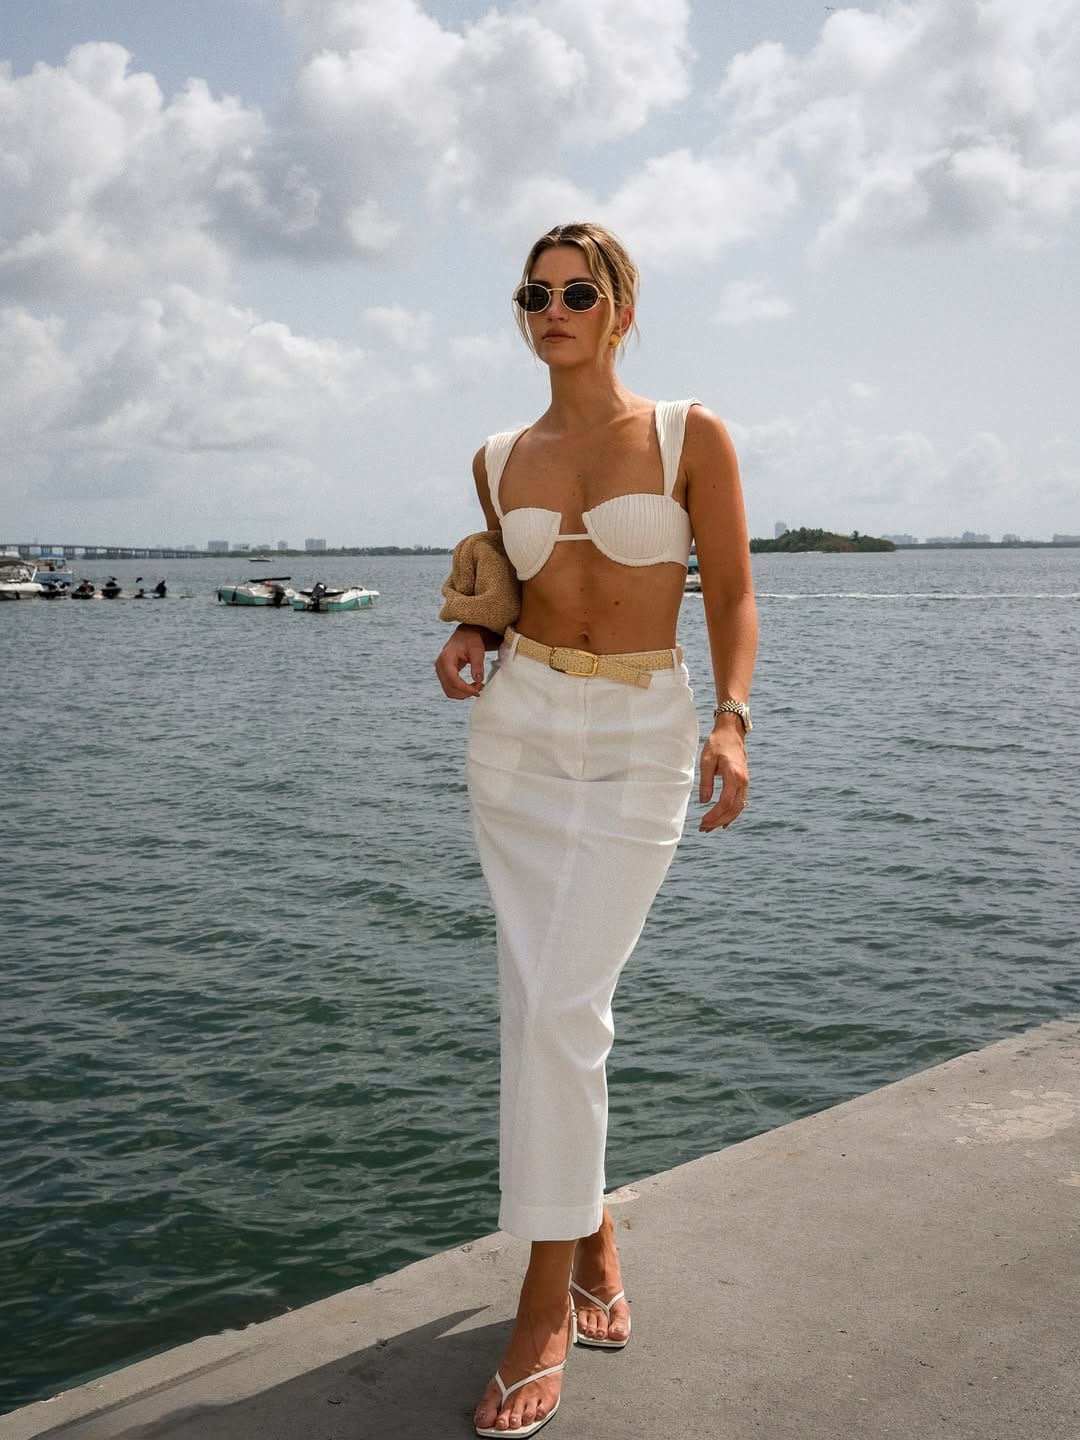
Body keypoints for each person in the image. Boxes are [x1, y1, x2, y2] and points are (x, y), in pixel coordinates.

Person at [434, 222, 758, 1439]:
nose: (554, 310)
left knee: (566, 1006)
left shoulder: (687, 435)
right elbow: (510, 593)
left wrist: (731, 721)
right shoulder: (496, 457)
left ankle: (541, 1309)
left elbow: (732, 591)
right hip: (518, 738)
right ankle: (593, 1238)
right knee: (537, 1006)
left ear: (621, 310)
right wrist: (473, 633)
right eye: (536, 293)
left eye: (578, 292)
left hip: (640, 732)